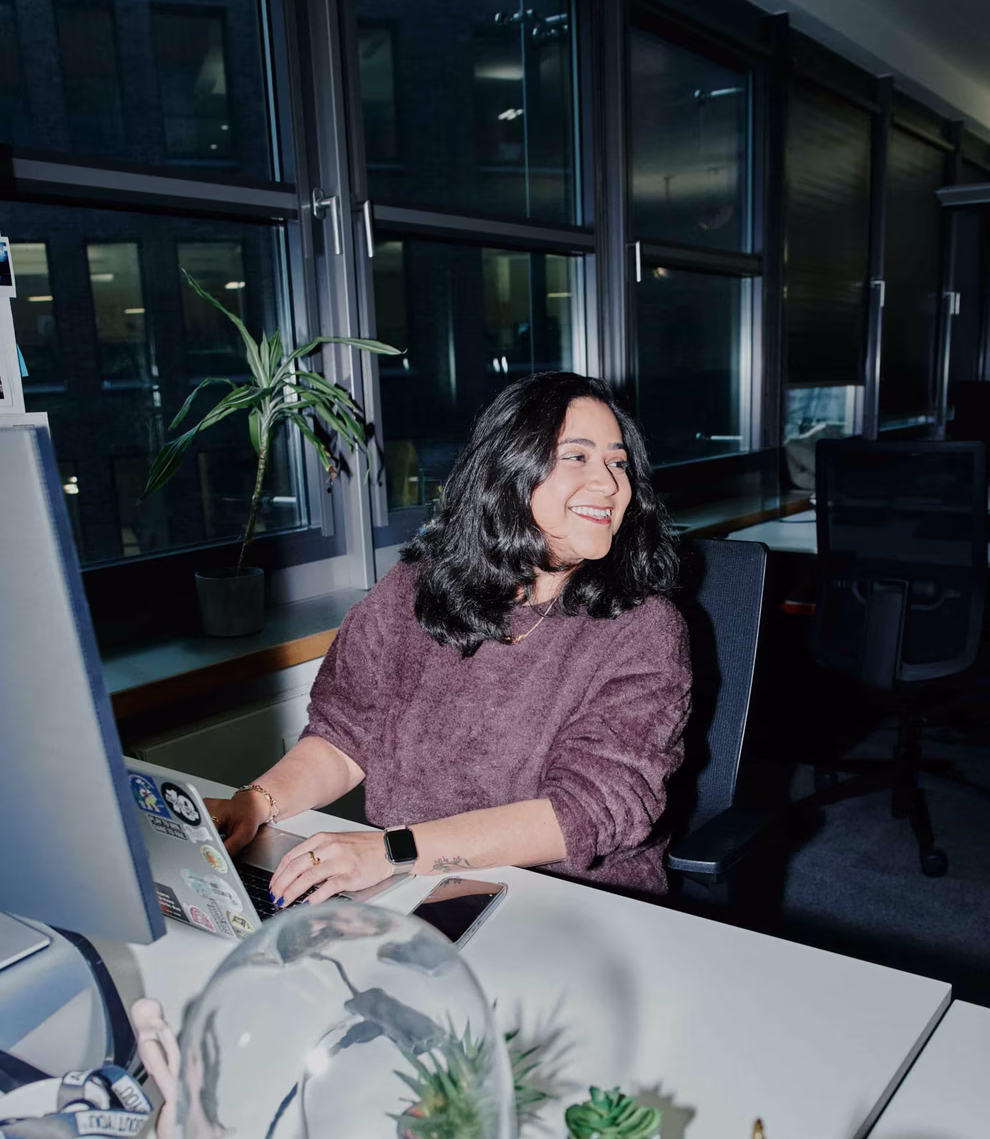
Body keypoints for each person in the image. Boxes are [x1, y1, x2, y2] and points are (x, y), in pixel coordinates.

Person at [206, 371, 692, 904]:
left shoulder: (644, 630)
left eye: (618, 462)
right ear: (509, 467)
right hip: (412, 881)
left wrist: (389, 851)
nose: (609, 483)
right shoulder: (412, 591)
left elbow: (584, 813)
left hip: (569, 900)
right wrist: (256, 804)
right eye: (577, 456)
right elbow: (344, 736)